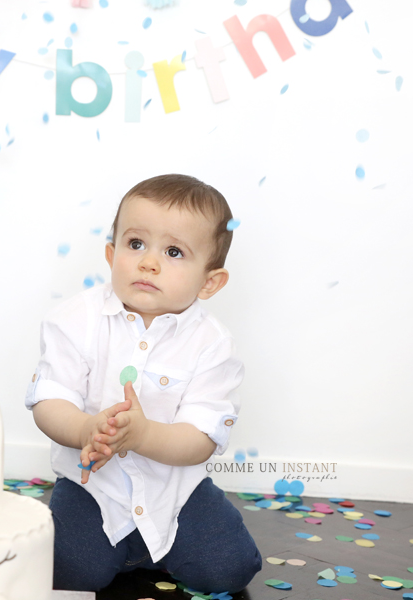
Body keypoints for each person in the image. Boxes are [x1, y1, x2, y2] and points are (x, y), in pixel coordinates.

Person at [25, 174, 262, 593]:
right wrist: (85, 428)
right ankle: (115, 552)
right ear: (111, 252)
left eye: (174, 251)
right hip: (91, 488)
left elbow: (200, 438)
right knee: (67, 569)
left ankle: (156, 549)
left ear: (210, 281)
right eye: (136, 244)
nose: (149, 262)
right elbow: (50, 399)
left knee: (229, 568)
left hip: (176, 493)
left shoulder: (213, 344)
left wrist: (144, 434)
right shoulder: (75, 320)